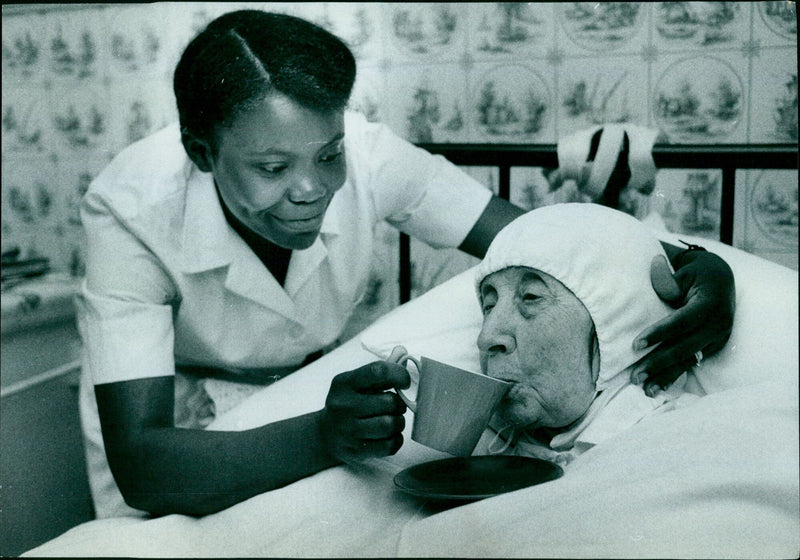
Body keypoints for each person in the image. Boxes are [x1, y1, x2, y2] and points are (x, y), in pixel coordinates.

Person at [76, 10, 734, 518]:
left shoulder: (369, 154)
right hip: (190, 448)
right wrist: (324, 435)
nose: (310, 188)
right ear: (200, 153)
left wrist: (699, 266)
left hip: (318, 414)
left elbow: (543, 241)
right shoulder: (130, 209)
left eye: (328, 156)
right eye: (273, 169)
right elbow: (142, 462)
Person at [473, 203, 707, 464]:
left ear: (618, 325)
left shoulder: (682, 447)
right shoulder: (485, 442)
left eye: (531, 297)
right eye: (489, 306)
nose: (486, 338)